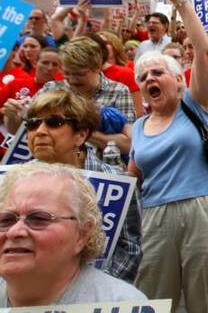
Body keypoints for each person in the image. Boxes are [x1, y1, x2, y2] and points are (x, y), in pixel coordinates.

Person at [129, 0, 208, 312]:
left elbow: (204, 52)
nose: (149, 80)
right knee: (154, 302)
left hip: (204, 211)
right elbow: (132, 180)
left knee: (207, 301)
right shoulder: (139, 127)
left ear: (178, 80)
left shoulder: (195, 107)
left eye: (158, 72)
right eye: (143, 78)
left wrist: (181, 2)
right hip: (155, 218)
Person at [24, 88, 142, 282]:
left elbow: (130, 248)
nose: (41, 131)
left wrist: (93, 293)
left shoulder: (115, 182)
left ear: (80, 135)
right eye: (33, 124)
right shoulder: (13, 181)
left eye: (54, 123)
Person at [0, 162, 146, 306]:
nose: (14, 232)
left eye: (39, 219)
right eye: (6, 220)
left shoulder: (123, 305)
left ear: (81, 235)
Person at [31, 37, 135, 154]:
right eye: (66, 73)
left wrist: (79, 131)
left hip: (100, 169)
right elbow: (19, 129)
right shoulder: (52, 89)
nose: (72, 80)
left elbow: (128, 144)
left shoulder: (118, 91)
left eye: (79, 74)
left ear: (98, 66)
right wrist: (13, 115)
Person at [1, 48, 61, 131]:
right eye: (45, 63)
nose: (50, 68)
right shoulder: (15, 83)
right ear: (35, 63)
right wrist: (8, 112)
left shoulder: (60, 93)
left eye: (55, 64)